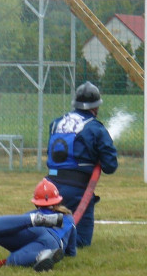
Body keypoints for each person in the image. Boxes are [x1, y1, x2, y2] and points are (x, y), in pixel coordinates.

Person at [46, 81, 118, 248]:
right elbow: (110, 166)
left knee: (48, 228)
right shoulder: (95, 128)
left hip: (49, 186)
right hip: (77, 190)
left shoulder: (56, 123)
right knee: (81, 241)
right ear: (96, 107)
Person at [0, 179, 77, 272]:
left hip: (32, 231)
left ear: (36, 203)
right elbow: (71, 251)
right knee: (13, 260)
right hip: (52, 242)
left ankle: (35, 222)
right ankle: (42, 255)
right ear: (58, 200)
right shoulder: (68, 218)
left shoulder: (30, 213)